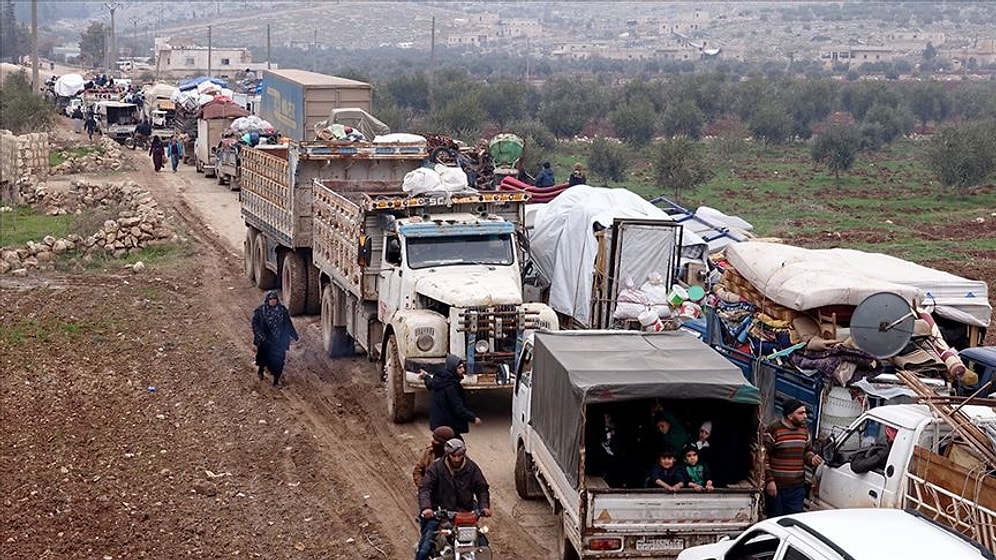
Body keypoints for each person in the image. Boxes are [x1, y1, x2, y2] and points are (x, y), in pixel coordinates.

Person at [416, 438, 491, 560]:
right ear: (447, 453)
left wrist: (484, 506)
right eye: (453, 455)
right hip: (439, 513)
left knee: (483, 547)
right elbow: (425, 488)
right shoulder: (436, 467)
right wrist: (427, 508)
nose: (457, 459)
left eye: (460, 455)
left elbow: (482, 488)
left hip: (464, 513)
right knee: (424, 549)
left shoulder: (472, 468)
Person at [763, 398, 823, 517]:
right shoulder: (774, 429)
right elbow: (763, 456)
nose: (805, 416)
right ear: (790, 416)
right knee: (775, 520)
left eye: (805, 412)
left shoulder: (804, 430)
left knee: (793, 520)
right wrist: (769, 481)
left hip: (797, 488)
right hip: (777, 488)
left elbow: (806, 451)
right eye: (800, 413)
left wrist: (812, 459)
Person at [421, 354, 481, 437]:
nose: (463, 370)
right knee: (456, 447)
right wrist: (473, 418)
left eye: (463, 367)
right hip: (448, 428)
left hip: (438, 425)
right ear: (453, 369)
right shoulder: (451, 386)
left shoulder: (440, 379)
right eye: (459, 368)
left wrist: (425, 376)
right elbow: (458, 408)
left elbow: (430, 384)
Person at [251, 290, 299, 388]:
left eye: (274, 299)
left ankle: (276, 381)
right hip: (266, 341)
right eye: (271, 299)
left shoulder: (282, 311)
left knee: (279, 361)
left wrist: (294, 335)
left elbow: (288, 324)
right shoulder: (261, 311)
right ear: (267, 300)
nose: (273, 301)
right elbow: (255, 324)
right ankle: (261, 370)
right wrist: (260, 336)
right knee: (263, 358)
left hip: (279, 341)